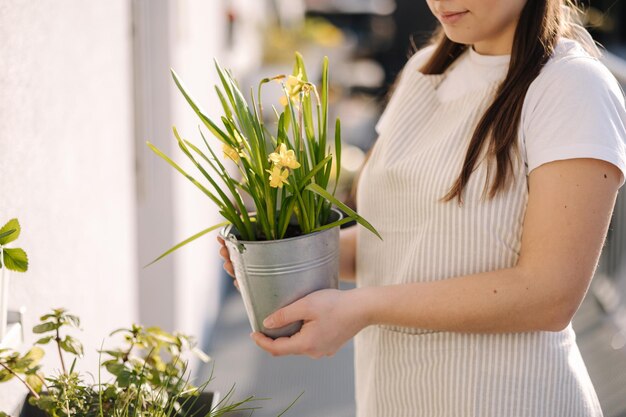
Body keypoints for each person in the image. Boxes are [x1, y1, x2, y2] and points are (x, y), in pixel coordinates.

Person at [218, 0, 626, 415]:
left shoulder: (572, 86)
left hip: (510, 399)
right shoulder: (423, 73)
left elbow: (549, 295)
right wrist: (275, 261)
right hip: (395, 397)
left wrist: (363, 306)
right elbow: (398, 239)